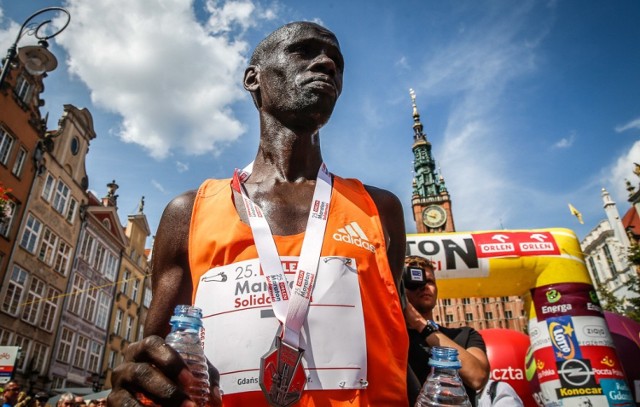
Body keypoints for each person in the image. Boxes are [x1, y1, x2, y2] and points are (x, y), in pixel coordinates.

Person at [109, 21, 409, 407]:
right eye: (305, 51)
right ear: (254, 78)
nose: (327, 65)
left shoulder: (379, 209)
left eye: (336, 60)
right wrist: (134, 385)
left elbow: (399, 348)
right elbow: (156, 362)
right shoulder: (189, 213)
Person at [403, 255, 490, 406]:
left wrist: (421, 325)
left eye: (429, 281)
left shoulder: (465, 334)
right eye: (415, 281)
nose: (424, 286)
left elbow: (477, 377)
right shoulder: (389, 338)